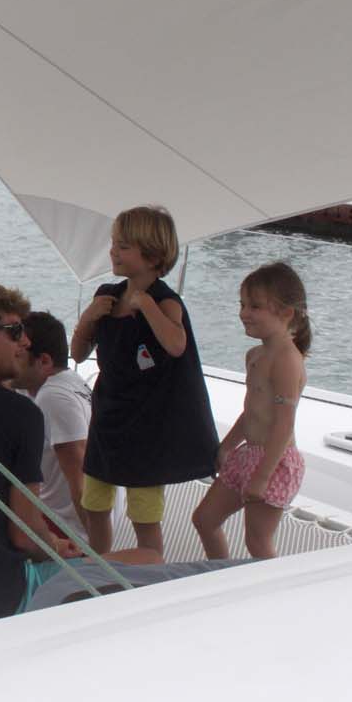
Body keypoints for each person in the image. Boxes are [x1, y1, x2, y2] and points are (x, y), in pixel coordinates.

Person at [0, 282, 158, 627]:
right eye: (14, 331)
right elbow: (23, 536)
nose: (24, 341)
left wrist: (51, 542)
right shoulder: (19, 413)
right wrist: (53, 546)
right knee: (150, 558)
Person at [71, 205, 218, 558]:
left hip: (147, 425)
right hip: (109, 416)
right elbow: (77, 353)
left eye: (123, 247)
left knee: (144, 511)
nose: (113, 252)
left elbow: (176, 344)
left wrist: (147, 306)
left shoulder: (166, 302)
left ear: (152, 256)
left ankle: (151, 564)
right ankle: (97, 561)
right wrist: (89, 318)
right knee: (94, 502)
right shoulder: (107, 295)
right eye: (113, 244)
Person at [192, 262, 311, 559]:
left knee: (257, 541)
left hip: (274, 461)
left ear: (286, 313)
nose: (244, 313)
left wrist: (263, 475)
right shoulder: (255, 355)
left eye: (255, 306)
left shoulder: (286, 359)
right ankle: (221, 573)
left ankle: (274, 586)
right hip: (248, 455)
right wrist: (227, 446)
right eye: (242, 304)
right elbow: (251, 412)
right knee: (205, 519)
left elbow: (284, 423)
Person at [11, 311, 92, 541]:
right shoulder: (71, 381)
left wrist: (95, 553)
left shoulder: (53, 396)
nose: (10, 358)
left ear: (44, 361)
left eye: (18, 354)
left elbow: (80, 480)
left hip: (65, 528)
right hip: (61, 518)